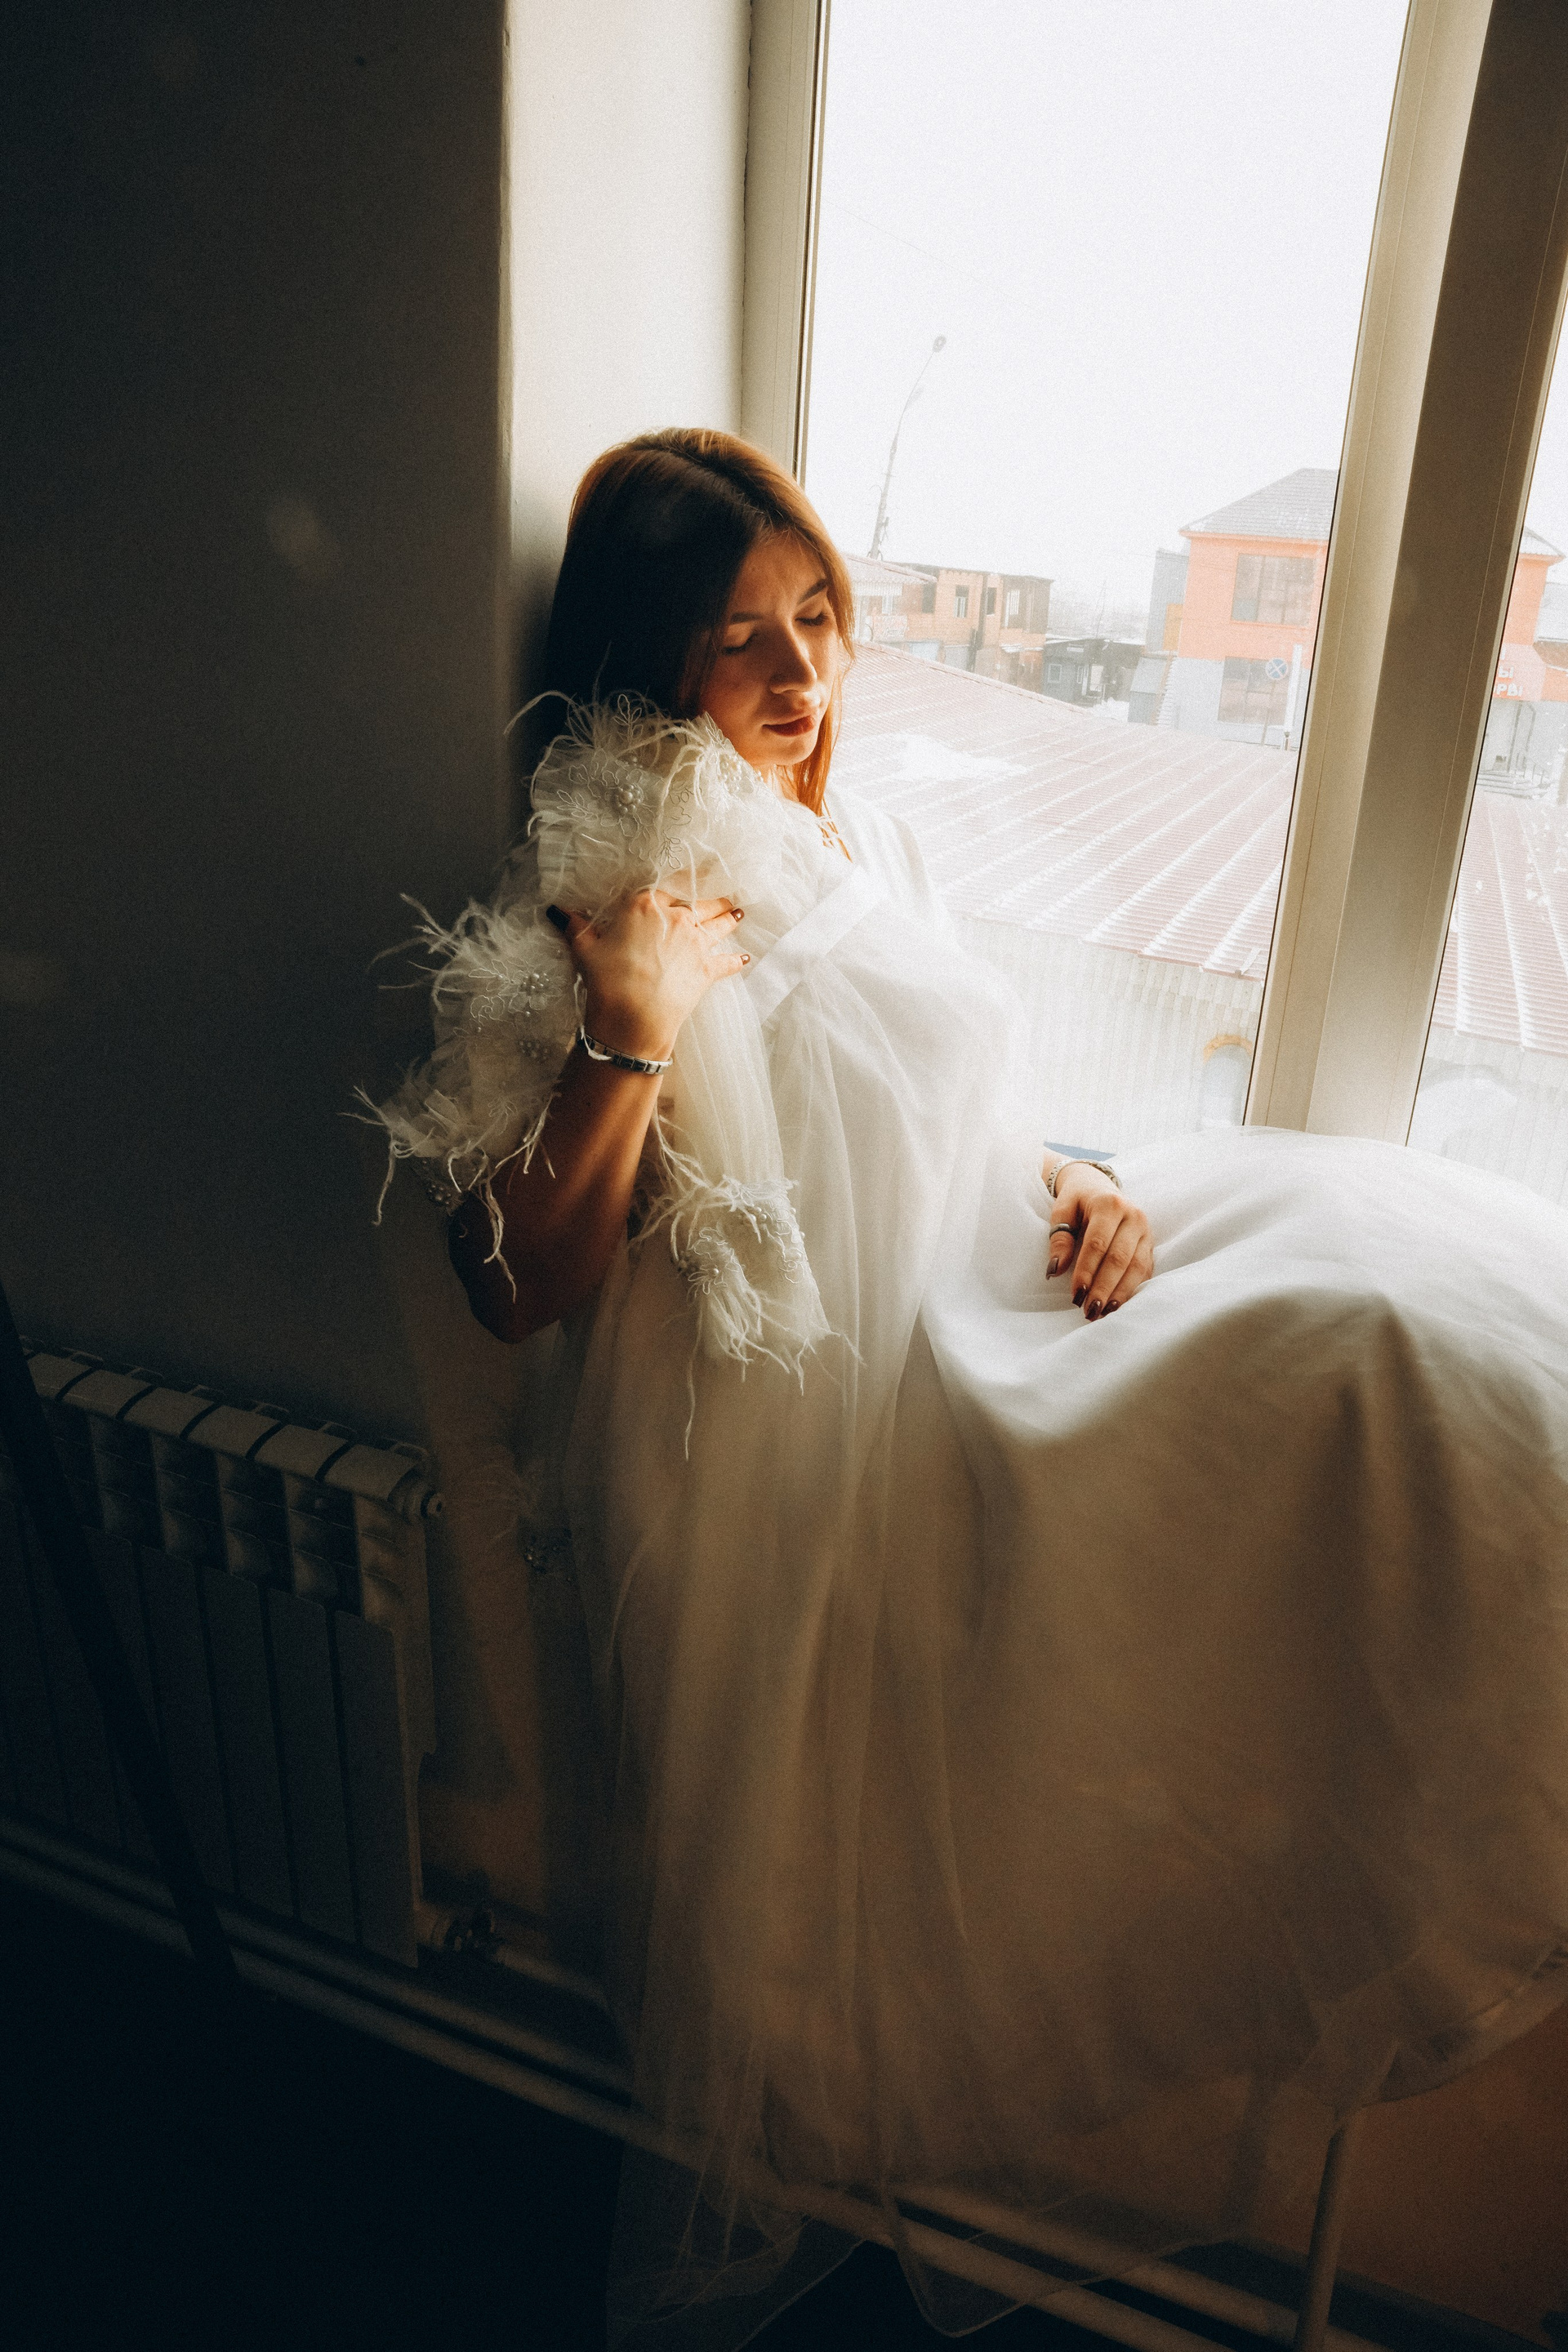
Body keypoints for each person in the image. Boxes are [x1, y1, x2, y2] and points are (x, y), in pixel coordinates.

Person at [385, 430, 1568, 2346]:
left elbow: (929, 1106)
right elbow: (519, 1287)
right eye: (737, 637)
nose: (801, 671)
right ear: (641, 655)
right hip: (853, 1408)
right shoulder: (598, 891)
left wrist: (1070, 1179)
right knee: (1374, 1361)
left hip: (990, 1270)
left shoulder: (852, 841)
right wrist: (633, 1028)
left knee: (1388, 1261)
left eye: (818, 615)